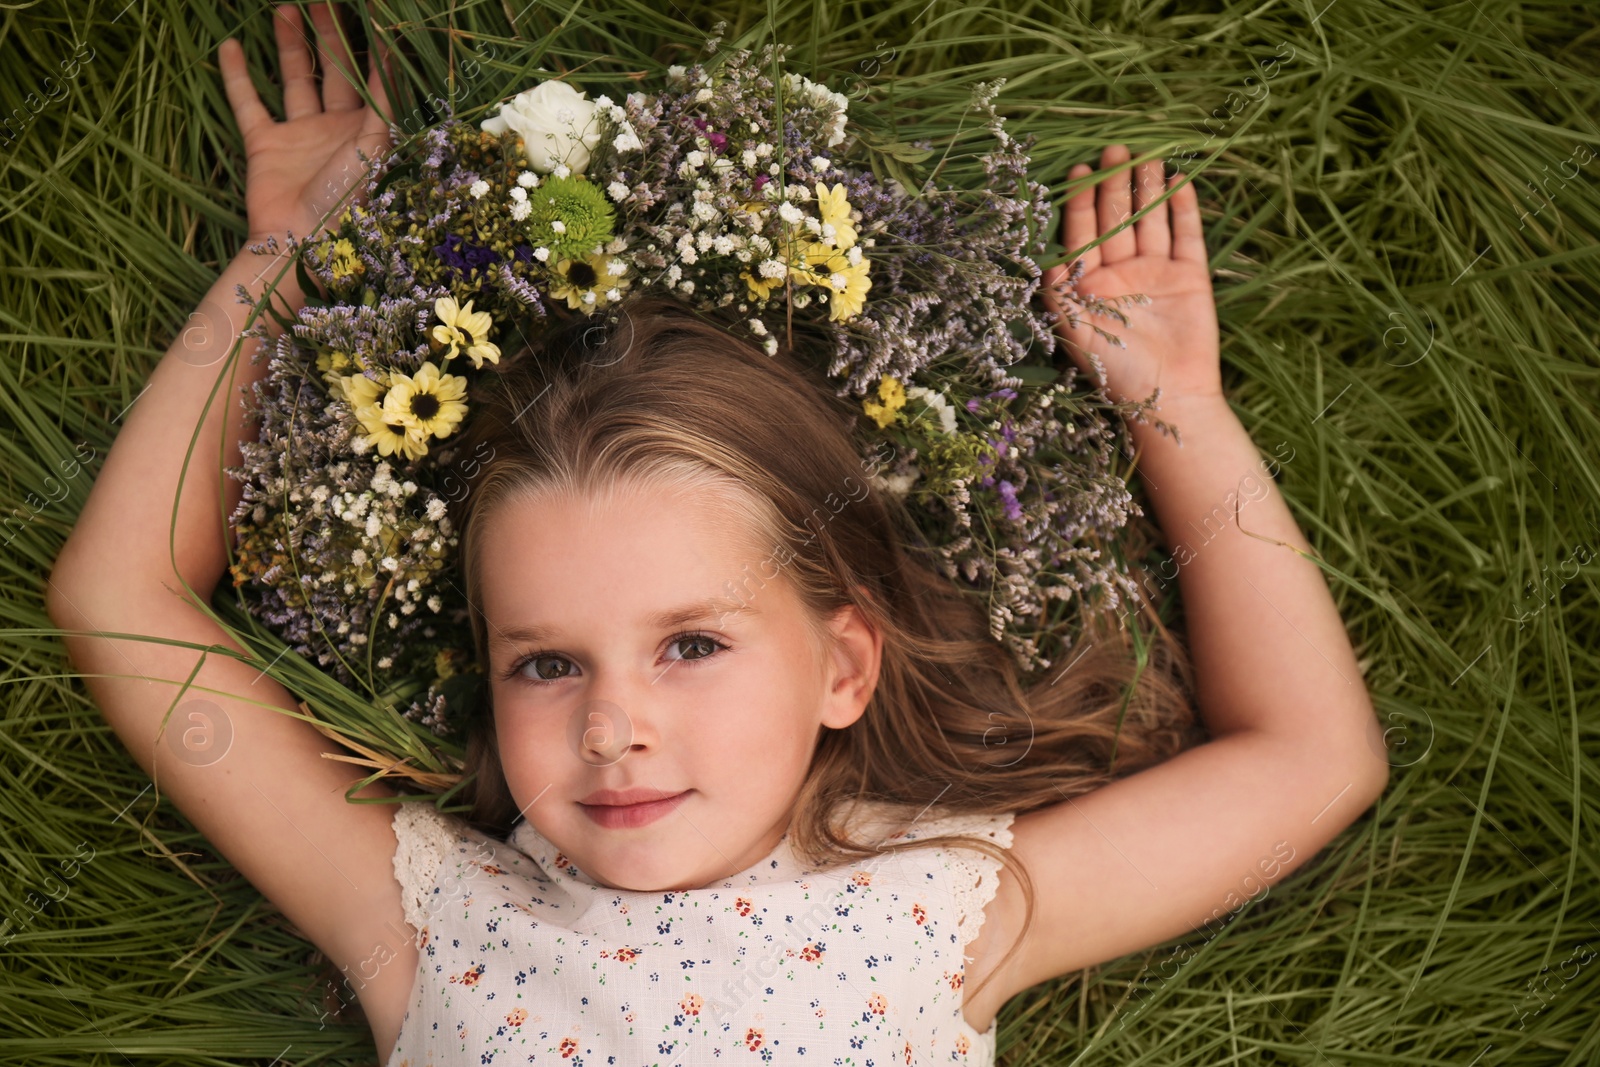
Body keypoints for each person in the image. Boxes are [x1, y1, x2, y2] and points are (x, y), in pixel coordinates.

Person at [45, 5, 1389, 1065]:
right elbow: (118, 601)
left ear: (845, 667)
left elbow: (1313, 763)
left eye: (689, 642)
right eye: (546, 663)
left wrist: (1175, 411)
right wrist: (281, 265)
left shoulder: (936, 911)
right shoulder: (427, 919)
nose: (612, 726)